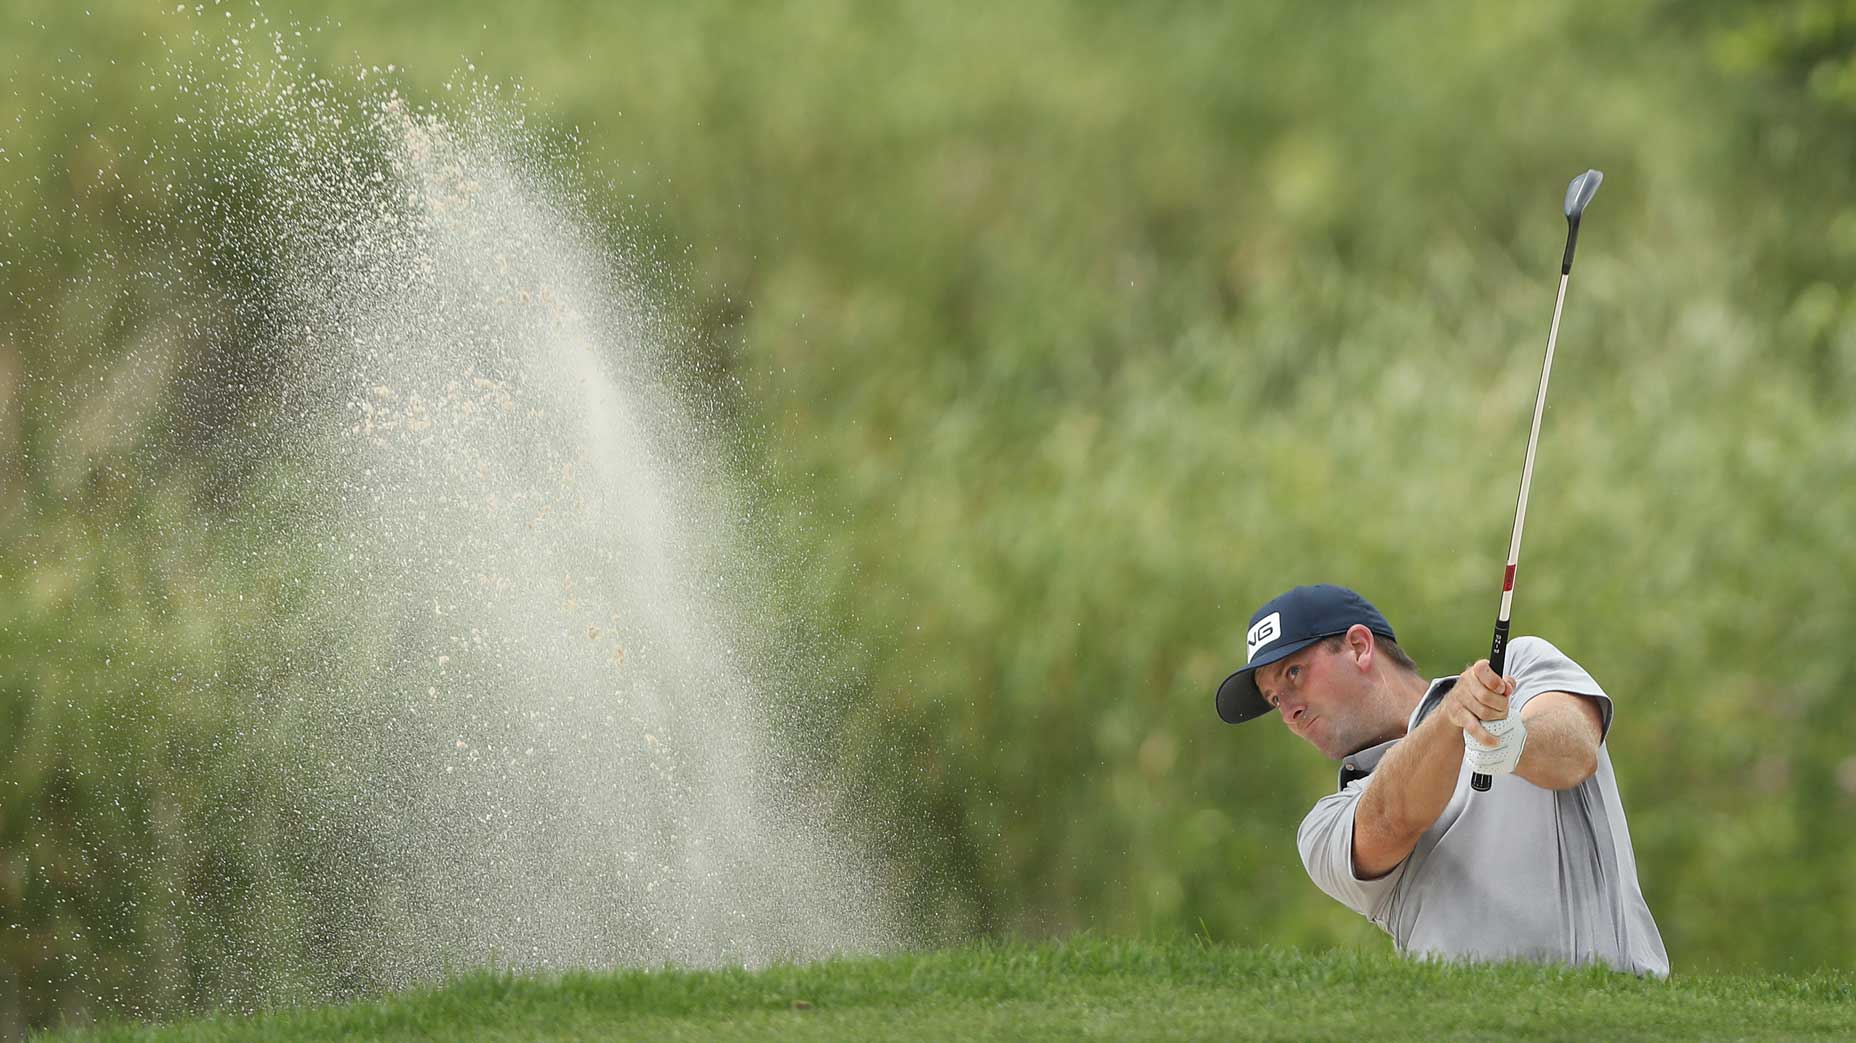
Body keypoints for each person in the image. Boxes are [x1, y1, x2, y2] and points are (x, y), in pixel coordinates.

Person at [1216, 583, 1668, 977]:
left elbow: (1573, 752)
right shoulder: (1325, 827)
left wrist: (1507, 739)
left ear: (1359, 647)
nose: (1289, 710)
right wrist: (1453, 719)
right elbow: (1390, 821)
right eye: (1275, 699)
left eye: (1294, 674)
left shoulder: (1518, 671)